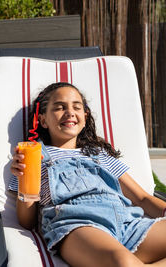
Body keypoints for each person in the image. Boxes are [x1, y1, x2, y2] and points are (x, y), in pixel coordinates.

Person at [10, 82, 166, 266]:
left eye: (76, 107)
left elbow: (141, 198)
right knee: (123, 263)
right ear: (43, 120)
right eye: (60, 107)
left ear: (84, 117)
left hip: (127, 222)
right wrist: (24, 178)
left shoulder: (99, 154)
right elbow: (27, 222)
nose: (69, 112)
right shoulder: (33, 156)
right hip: (78, 224)